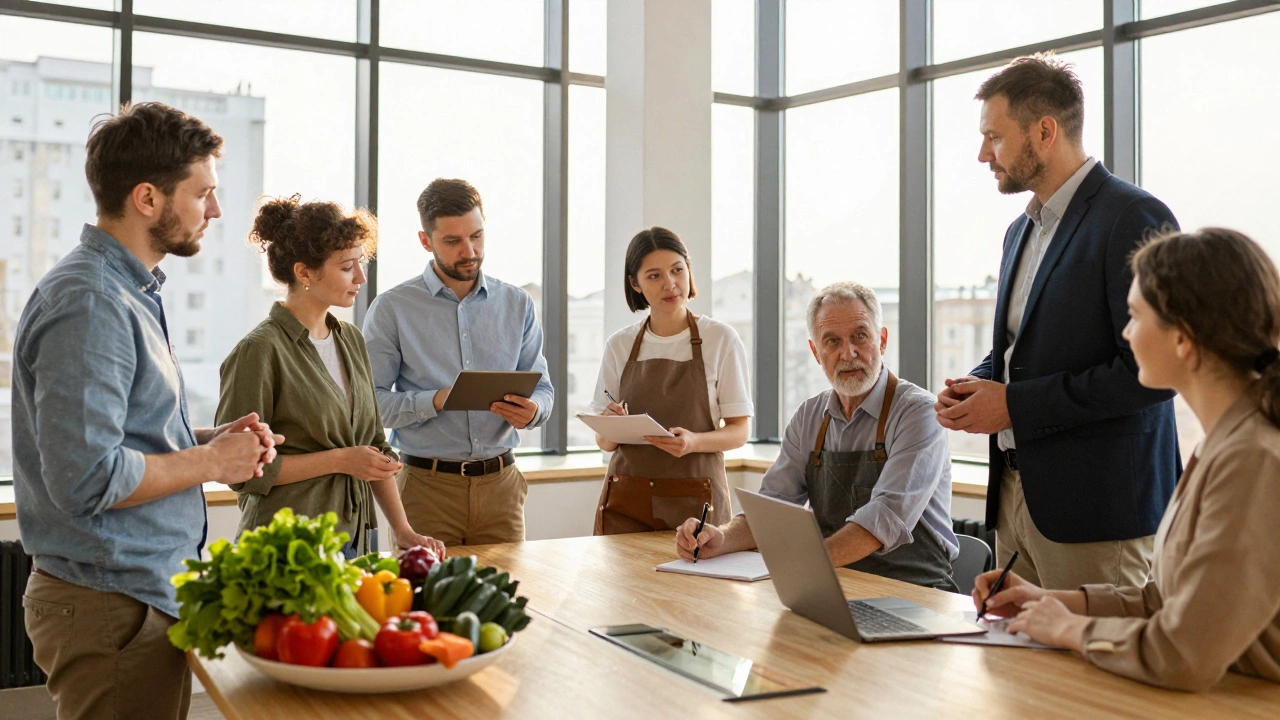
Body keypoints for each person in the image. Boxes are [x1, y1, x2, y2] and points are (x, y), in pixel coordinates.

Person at [15, 102, 280, 719]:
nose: (215, 211)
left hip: (134, 597)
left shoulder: (127, 291)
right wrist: (212, 461)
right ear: (147, 198)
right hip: (111, 604)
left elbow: (127, 436)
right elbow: (89, 478)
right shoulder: (92, 301)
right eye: (203, 194)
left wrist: (211, 438)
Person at [973, 228, 1280, 691]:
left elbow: (1183, 652)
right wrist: (1051, 602)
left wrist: (1069, 630)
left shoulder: (1253, 458)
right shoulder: (1226, 442)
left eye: (1135, 316)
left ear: (1183, 338)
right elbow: (1166, 602)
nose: (1125, 332)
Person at [934, 55, 1181, 590]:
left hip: (1097, 514)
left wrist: (1012, 404)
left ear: (1044, 131)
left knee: (1089, 675)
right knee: (1010, 668)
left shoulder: (1134, 218)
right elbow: (1021, 348)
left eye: (994, 137)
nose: (983, 154)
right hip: (1014, 502)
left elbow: (1152, 375)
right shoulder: (1018, 233)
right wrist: (974, 385)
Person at [677, 282, 958, 591]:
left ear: (882, 340)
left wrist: (804, 563)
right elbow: (774, 505)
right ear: (815, 352)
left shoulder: (919, 413)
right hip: (835, 584)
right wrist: (721, 538)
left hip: (916, 592)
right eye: (832, 341)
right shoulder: (809, 417)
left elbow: (885, 518)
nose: (847, 353)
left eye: (860, 336)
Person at [216, 195, 445, 560]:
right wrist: (339, 460)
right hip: (283, 548)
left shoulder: (350, 339)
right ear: (304, 272)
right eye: (346, 267)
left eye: (361, 263)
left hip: (352, 540)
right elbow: (238, 470)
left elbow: (371, 445)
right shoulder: (259, 350)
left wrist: (403, 530)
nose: (360, 278)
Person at [364, 178, 553, 546]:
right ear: (425, 241)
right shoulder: (392, 309)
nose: (469, 250)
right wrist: (435, 400)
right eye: (452, 241)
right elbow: (370, 405)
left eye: (477, 236)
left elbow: (543, 388)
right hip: (425, 490)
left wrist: (533, 411)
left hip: (502, 487)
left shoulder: (518, 304)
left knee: (506, 601)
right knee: (425, 602)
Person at [590, 227, 752, 534]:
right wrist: (611, 423)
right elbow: (604, 442)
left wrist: (694, 442)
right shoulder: (619, 345)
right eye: (654, 276)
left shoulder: (721, 340)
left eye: (677, 270)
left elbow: (740, 431)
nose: (670, 284)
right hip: (627, 502)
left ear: (689, 270)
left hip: (697, 505)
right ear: (634, 284)